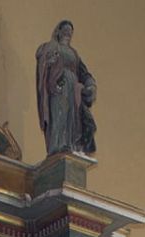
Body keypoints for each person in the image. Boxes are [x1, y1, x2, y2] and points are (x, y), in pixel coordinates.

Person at [35, 20, 97, 157]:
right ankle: (57, 146)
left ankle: (71, 145)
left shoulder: (74, 54)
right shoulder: (51, 47)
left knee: (72, 120)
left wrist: (91, 84)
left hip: (73, 91)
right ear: (58, 31)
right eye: (65, 30)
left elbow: (84, 73)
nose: (68, 33)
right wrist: (48, 63)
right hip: (58, 88)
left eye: (70, 31)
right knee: (59, 114)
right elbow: (41, 57)